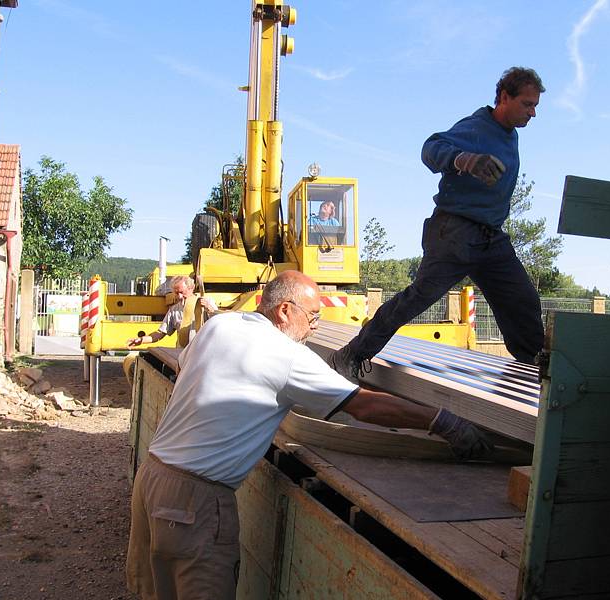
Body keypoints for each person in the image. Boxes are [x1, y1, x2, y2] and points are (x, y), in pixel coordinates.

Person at [126, 270, 492, 600]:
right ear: (285, 310)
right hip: (196, 502)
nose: (316, 327)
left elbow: (193, 370)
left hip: (152, 478)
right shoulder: (286, 355)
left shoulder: (220, 326)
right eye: (313, 316)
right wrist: (441, 420)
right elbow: (363, 406)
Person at [328, 67, 545, 379]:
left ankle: (533, 367)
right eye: (527, 104)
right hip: (455, 232)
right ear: (504, 98)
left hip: (490, 238)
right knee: (419, 298)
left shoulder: (510, 135)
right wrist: (464, 160)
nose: (533, 113)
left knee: (523, 299)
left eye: (535, 106)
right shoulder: (476, 127)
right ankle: (351, 354)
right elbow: (430, 148)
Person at [127, 275, 217, 347]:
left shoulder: (206, 302)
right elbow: (160, 333)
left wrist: (209, 308)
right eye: (176, 293)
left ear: (191, 288)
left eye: (182, 292)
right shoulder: (174, 310)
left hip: (203, 352)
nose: (179, 296)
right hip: (183, 355)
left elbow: (220, 322)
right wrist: (142, 340)